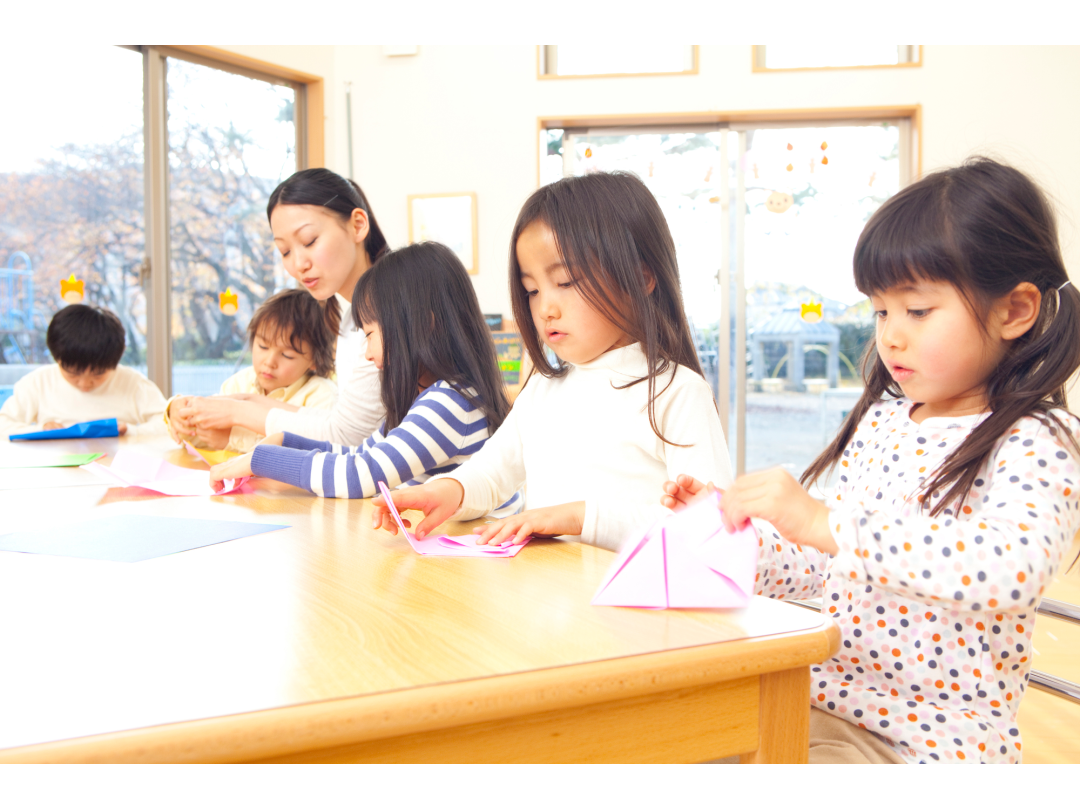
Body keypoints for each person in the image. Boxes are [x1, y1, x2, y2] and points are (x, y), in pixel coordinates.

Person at [662, 157, 1080, 764]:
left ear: (1013, 311)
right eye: (881, 311)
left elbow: (1009, 569)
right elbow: (834, 566)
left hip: (931, 742)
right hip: (818, 701)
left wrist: (824, 522)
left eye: (917, 311)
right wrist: (737, 540)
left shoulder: (1037, 436)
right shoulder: (885, 421)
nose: (890, 336)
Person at [372, 171, 733, 549]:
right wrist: (447, 491)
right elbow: (494, 472)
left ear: (640, 278)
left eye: (565, 282)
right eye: (531, 290)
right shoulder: (544, 389)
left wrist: (580, 517)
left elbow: (711, 525)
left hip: (636, 602)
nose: (545, 308)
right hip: (549, 596)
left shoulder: (676, 392)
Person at [209, 242, 518, 515]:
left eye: (369, 335)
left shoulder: (450, 402)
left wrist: (262, 459)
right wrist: (287, 443)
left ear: (423, 326)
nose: (367, 354)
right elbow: (364, 454)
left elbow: (363, 474)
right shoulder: (427, 396)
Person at [180, 168, 388, 446]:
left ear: (358, 225)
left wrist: (238, 413)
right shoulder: (347, 316)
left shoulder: (388, 309)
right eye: (285, 251)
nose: (298, 264)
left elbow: (349, 435)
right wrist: (246, 402)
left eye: (309, 241)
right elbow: (338, 420)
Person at [165, 289, 337, 453]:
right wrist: (178, 413)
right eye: (262, 346)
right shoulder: (239, 383)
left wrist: (232, 441)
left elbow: (311, 456)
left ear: (315, 360)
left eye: (286, 355)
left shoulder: (322, 396)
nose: (269, 362)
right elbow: (199, 437)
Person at [0, 304, 166, 437]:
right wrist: (41, 429)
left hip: (116, 467)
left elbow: (168, 425)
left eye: (98, 374)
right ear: (57, 358)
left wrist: (130, 431)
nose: (84, 384)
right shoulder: (39, 382)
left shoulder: (132, 382)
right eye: (72, 374)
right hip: (57, 469)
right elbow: (4, 425)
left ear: (114, 362)